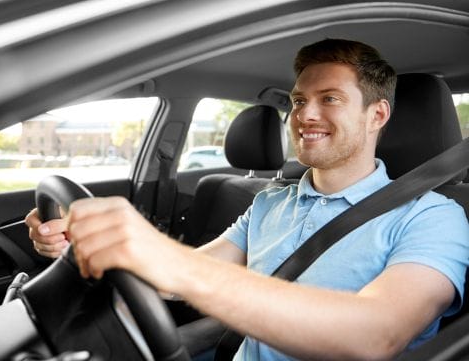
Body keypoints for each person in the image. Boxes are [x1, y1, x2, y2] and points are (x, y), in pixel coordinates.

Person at [25, 39, 469, 360]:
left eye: (329, 99)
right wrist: (82, 246)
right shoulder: (270, 202)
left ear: (377, 115)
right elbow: (172, 280)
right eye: (298, 100)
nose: (304, 115)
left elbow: (377, 336)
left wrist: (168, 257)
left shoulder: (433, 217)